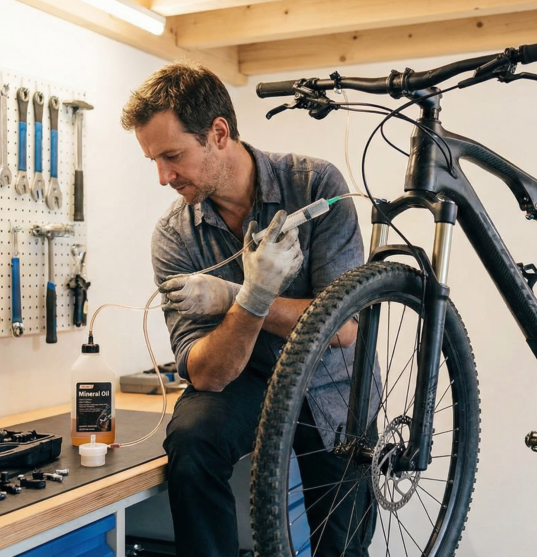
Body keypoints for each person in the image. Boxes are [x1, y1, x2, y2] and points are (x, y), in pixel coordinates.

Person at [122, 62, 373, 557]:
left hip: (331, 381)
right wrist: (251, 299)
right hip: (245, 378)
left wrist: (232, 299)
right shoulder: (174, 235)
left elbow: (342, 328)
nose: (162, 177)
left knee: (341, 548)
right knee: (192, 442)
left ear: (219, 133)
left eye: (172, 156)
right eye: (153, 160)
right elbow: (207, 374)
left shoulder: (316, 186)